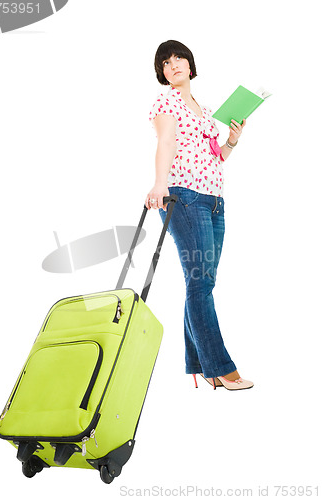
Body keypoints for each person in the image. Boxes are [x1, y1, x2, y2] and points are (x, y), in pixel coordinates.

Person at [145, 40, 253, 391]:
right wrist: (159, 185)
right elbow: (166, 144)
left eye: (179, 58)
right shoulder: (166, 102)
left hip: (213, 201)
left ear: (190, 65)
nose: (173, 64)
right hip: (184, 197)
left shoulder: (205, 111)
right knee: (201, 282)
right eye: (166, 62)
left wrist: (232, 141)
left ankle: (198, 362)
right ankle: (220, 367)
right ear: (163, 73)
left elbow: (215, 157)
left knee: (201, 282)